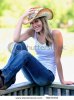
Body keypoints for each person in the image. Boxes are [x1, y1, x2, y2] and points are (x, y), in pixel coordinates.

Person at [0, 7, 74, 90]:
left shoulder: (55, 34)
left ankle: (4, 77)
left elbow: (57, 59)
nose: (34, 25)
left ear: (43, 20)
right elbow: (16, 39)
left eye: (36, 21)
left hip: (46, 77)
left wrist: (62, 80)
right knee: (19, 45)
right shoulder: (33, 31)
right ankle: (5, 77)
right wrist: (21, 18)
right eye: (31, 23)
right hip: (33, 76)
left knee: (25, 54)